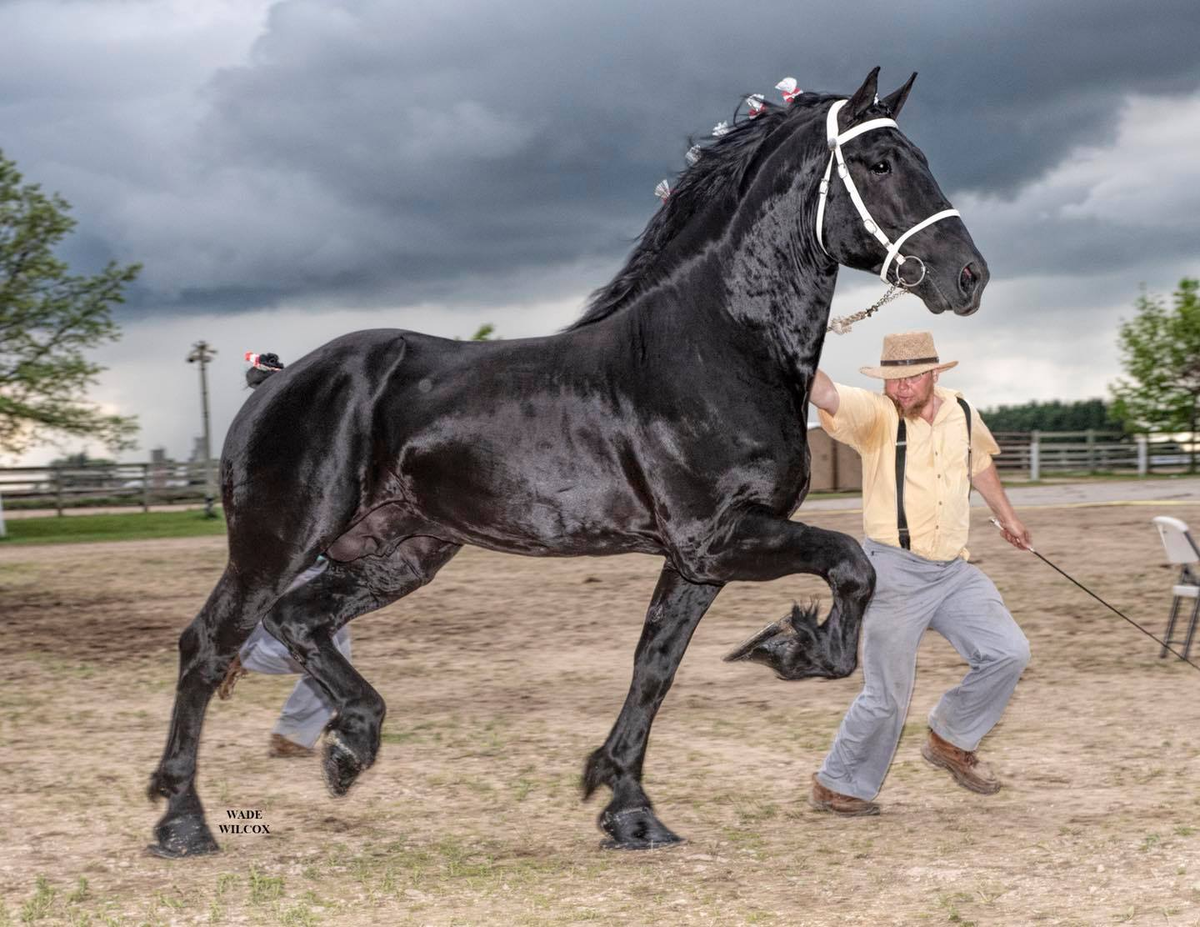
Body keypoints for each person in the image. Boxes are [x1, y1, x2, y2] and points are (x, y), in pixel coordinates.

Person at [806, 330, 1031, 815]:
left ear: (933, 374)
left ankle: (950, 738)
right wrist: (794, 339)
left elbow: (980, 465)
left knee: (1008, 652)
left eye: (909, 379)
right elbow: (824, 392)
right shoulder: (876, 416)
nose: (900, 389)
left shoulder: (963, 411)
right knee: (887, 695)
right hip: (892, 571)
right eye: (892, 380)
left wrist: (1008, 518)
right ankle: (837, 783)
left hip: (953, 571)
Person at [217, 557, 351, 758]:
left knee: (338, 658)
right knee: (326, 660)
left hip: (321, 561)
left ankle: (291, 737)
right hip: (301, 557)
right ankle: (240, 653)